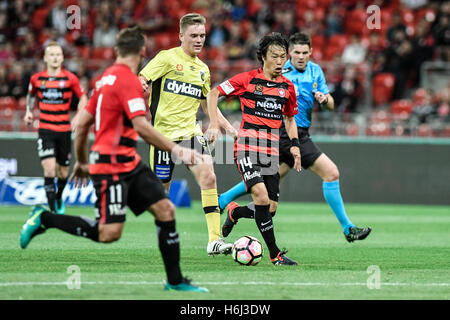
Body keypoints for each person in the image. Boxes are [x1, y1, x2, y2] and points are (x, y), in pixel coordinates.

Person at [19, 26, 208, 293]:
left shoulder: (103, 79)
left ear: (117, 50)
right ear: (143, 51)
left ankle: (175, 281)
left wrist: (83, 162)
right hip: (111, 166)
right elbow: (141, 126)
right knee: (109, 233)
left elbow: (82, 124)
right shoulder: (127, 81)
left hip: (127, 161)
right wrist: (178, 150)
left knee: (166, 210)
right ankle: (45, 218)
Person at [218, 32, 372, 243]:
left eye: (304, 52)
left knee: (267, 190)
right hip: (279, 132)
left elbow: (331, 104)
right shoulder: (278, 70)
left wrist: (325, 98)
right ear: (289, 53)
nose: (300, 56)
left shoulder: (316, 71)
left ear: (311, 53)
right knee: (331, 173)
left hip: (300, 134)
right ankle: (347, 228)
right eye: (296, 52)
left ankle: (229, 204)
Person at [138, 13, 237, 256]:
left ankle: (214, 240)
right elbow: (143, 77)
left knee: (209, 177)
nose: (199, 40)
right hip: (162, 137)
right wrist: (140, 83)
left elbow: (207, 105)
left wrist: (222, 125)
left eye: (202, 35)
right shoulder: (167, 58)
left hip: (191, 134)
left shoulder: (203, 70)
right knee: (162, 193)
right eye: (194, 35)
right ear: (181, 35)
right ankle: (166, 237)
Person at [207, 32, 301, 266]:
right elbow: (213, 93)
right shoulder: (247, 79)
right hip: (247, 146)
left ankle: (234, 212)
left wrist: (296, 146)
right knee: (259, 196)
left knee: (270, 208)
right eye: (275, 56)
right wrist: (214, 122)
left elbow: (289, 119)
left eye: (283, 57)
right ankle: (275, 254)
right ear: (263, 57)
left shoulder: (287, 87)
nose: (280, 61)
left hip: (271, 150)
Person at [24, 41, 88, 214]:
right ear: (45, 58)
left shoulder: (70, 78)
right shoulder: (37, 79)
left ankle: (58, 196)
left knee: (63, 171)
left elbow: (83, 98)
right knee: (50, 168)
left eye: (58, 54)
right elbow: (30, 96)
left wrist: (78, 116)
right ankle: (52, 209)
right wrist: (29, 111)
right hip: (45, 130)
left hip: (64, 131)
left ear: (62, 58)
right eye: (51, 54)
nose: (55, 58)